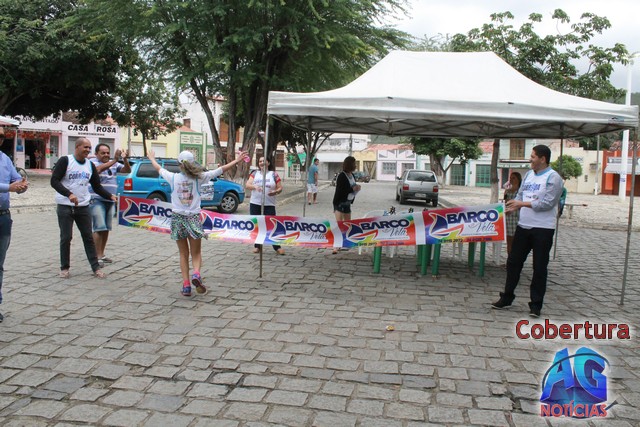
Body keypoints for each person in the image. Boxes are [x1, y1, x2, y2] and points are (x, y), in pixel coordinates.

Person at [149, 149, 248, 297]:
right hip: (193, 218)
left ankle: (186, 285)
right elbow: (220, 170)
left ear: (179, 164)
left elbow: (158, 168)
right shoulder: (200, 177)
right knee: (196, 253)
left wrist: (151, 158)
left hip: (177, 218)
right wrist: (237, 160)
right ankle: (196, 273)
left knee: (183, 253)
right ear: (193, 163)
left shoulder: (172, 177)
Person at [492, 145, 564, 317]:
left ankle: (536, 305)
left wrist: (521, 204)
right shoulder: (529, 175)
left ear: (543, 159)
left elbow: (547, 203)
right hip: (523, 226)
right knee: (513, 263)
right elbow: (520, 195)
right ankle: (507, 297)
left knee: (539, 267)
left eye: (533, 156)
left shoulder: (554, 178)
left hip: (543, 229)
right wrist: (512, 207)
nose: (530, 159)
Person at [51, 137, 115, 279]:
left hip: (83, 206)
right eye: (85, 147)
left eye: (89, 148)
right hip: (65, 205)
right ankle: (65, 268)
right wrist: (68, 194)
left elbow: (97, 187)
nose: (87, 150)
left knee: (88, 237)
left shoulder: (89, 165)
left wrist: (110, 196)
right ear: (77, 147)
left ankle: (95, 268)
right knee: (66, 237)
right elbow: (54, 181)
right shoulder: (66, 161)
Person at [0, 126, 29, 322]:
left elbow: (16, 179)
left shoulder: (4, 158)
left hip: (3, 217)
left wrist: (21, 185)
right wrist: (9, 187)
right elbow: (9, 186)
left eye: (2, 136)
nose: (0, 139)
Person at [89, 144, 131, 267]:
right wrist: (114, 160)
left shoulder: (114, 164)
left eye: (108, 152)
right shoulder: (92, 163)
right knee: (99, 227)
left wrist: (124, 159)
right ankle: (96, 257)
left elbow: (127, 170)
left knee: (106, 228)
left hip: (110, 200)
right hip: (96, 199)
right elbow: (98, 170)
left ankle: (101, 254)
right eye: (103, 153)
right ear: (96, 154)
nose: (106, 155)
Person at [246, 156, 285, 255]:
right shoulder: (254, 174)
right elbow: (247, 185)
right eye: (260, 161)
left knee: (272, 225)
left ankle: (277, 247)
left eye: (264, 161)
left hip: (269, 204)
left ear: (268, 163)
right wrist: (254, 186)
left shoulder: (274, 174)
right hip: (255, 203)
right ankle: (257, 246)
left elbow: (280, 188)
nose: (262, 162)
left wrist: (275, 192)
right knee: (257, 225)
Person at [331, 156, 361, 254]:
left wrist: (356, 188)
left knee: (347, 224)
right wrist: (352, 189)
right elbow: (341, 190)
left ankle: (344, 243)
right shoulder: (342, 176)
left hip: (348, 202)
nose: (355, 165)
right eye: (354, 164)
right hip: (340, 202)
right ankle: (336, 245)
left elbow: (352, 186)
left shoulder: (352, 175)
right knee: (339, 224)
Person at [503, 171, 522, 256]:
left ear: (518, 179)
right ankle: (509, 257)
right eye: (510, 178)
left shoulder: (520, 192)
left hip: (517, 217)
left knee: (516, 240)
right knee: (509, 240)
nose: (511, 179)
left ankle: (515, 257)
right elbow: (504, 202)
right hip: (508, 217)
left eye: (513, 178)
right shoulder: (507, 191)